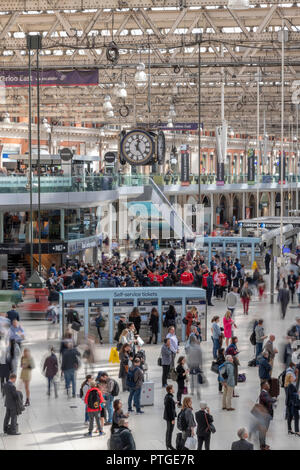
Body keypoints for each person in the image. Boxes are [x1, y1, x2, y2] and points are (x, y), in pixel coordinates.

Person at [258, 381, 276, 450]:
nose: (268, 385)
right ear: (263, 386)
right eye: (267, 384)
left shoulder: (265, 392)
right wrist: (274, 399)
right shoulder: (263, 394)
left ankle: (263, 444)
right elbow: (268, 400)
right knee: (263, 431)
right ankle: (262, 446)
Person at [163, 384, 177, 450]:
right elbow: (170, 410)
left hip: (167, 417)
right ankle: (169, 445)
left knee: (168, 431)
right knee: (170, 431)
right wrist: (172, 419)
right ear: (170, 390)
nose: (174, 389)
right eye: (173, 388)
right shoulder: (170, 398)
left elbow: (168, 405)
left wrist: (174, 403)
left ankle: (167, 444)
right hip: (170, 418)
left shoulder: (167, 396)